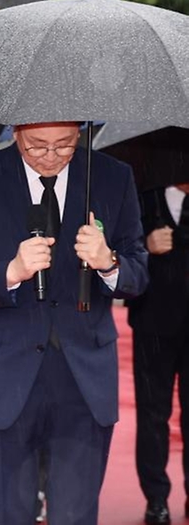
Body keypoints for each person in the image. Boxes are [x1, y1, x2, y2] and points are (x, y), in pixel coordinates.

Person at [0, 122, 149, 524]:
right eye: (38, 146)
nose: (51, 156)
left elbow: (138, 274)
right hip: (4, 372)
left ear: (80, 134)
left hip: (84, 375)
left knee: (75, 515)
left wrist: (109, 262)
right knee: (8, 514)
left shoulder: (112, 176)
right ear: (17, 133)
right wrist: (11, 270)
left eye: (65, 145)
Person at [127, 183, 189, 524]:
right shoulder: (140, 194)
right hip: (154, 323)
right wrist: (145, 247)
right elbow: (120, 249)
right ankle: (156, 498)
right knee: (153, 416)